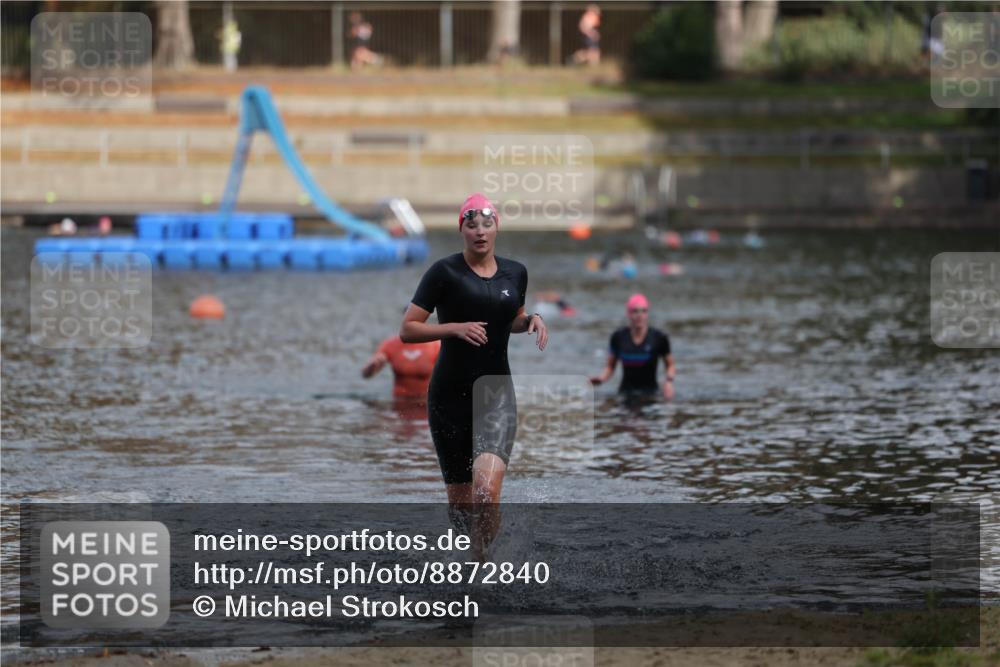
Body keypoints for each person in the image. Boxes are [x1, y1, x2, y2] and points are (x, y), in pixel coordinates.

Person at [400, 193, 548, 546]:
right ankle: (474, 558)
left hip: (495, 395)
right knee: (461, 507)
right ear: (462, 231)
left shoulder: (516, 272)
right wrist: (453, 328)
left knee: (485, 492)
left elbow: (509, 319)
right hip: (448, 398)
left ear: (497, 227)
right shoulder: (444, 272)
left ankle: (484, 566)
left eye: (487, 224)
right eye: (472, 225)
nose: (480, 231)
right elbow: (407, 330)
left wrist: (529, 320)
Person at [590, 293, 675, 400]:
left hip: (650, 394)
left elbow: (670, 365)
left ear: (647, 313)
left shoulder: (659, 338)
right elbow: (610, 366)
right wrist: (601, 379)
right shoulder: (618, 337)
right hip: (625, 393)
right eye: (635, 311)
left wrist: (669, 381)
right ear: (628, 313)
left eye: (644, 311)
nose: (639, 315)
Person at [361, 333, 440, 399]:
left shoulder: (435, 345)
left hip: (424, 402)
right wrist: (372, 365)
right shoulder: (391, 344)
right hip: (399, 401)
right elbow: (365, 375)